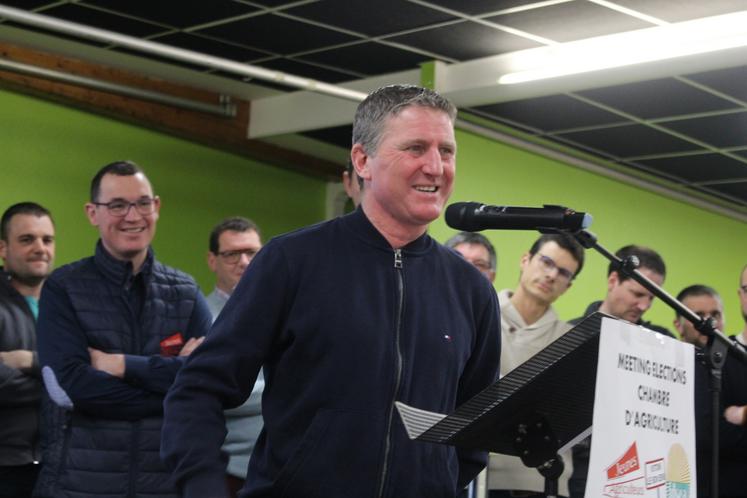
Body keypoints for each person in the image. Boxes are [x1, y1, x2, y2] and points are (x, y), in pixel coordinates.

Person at [162, 84, 502, 498]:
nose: (435, 166)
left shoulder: (470, 289)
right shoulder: (291, 261)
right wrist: (204, 487)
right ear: (363, 160)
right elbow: (200, 389)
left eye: (446, 151)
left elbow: (473, 429)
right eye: (415, 148)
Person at [35, 161, 212, 498]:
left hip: (164, 486)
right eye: (117, 205)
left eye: (143, 203)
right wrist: (170, 389)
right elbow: (75, 386)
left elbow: (208, 381)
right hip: (83, 486)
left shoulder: (186, 292)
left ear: (156, 207)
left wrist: (120, 366)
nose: (133, 216)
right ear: (92, 213)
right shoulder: (64, 288)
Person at [569, 244, 671, 498]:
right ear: (613, 280)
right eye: (638, 293)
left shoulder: (661, 344)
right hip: (579, 470)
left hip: (641, 475)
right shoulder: (568, 335)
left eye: (652, 297)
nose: (645, 305)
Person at [487, 233, 584, 498]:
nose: (552, 275)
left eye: (564, 272)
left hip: (546, 482)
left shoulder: (572, 342)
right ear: (525, 260)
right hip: (482, 475)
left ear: (568, 287)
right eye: (546, 262)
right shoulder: (481, 315)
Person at [205, 216, 264, 495]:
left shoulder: (285, 312)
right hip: (230, 472)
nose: (244, 262)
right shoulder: (202, 319)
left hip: (282, 467)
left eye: (252, 252)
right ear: (212, 261)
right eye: (231, 254)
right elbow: (216, 394)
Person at [0, 202, 55, 498]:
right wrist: (58, 383)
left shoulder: (66, 306)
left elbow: (87, 373)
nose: (39, 248)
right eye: (26, 239)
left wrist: (27, 361)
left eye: (46, 240)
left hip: (56, 464)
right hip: (5, 467)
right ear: (3, 248)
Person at [673, 284, 747, 498]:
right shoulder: (677, 364)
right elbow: (710, 433)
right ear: (678, 325)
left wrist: (740, 415)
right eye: (698, 316)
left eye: (715, 314)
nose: (709, 322)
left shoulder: (737, 359)